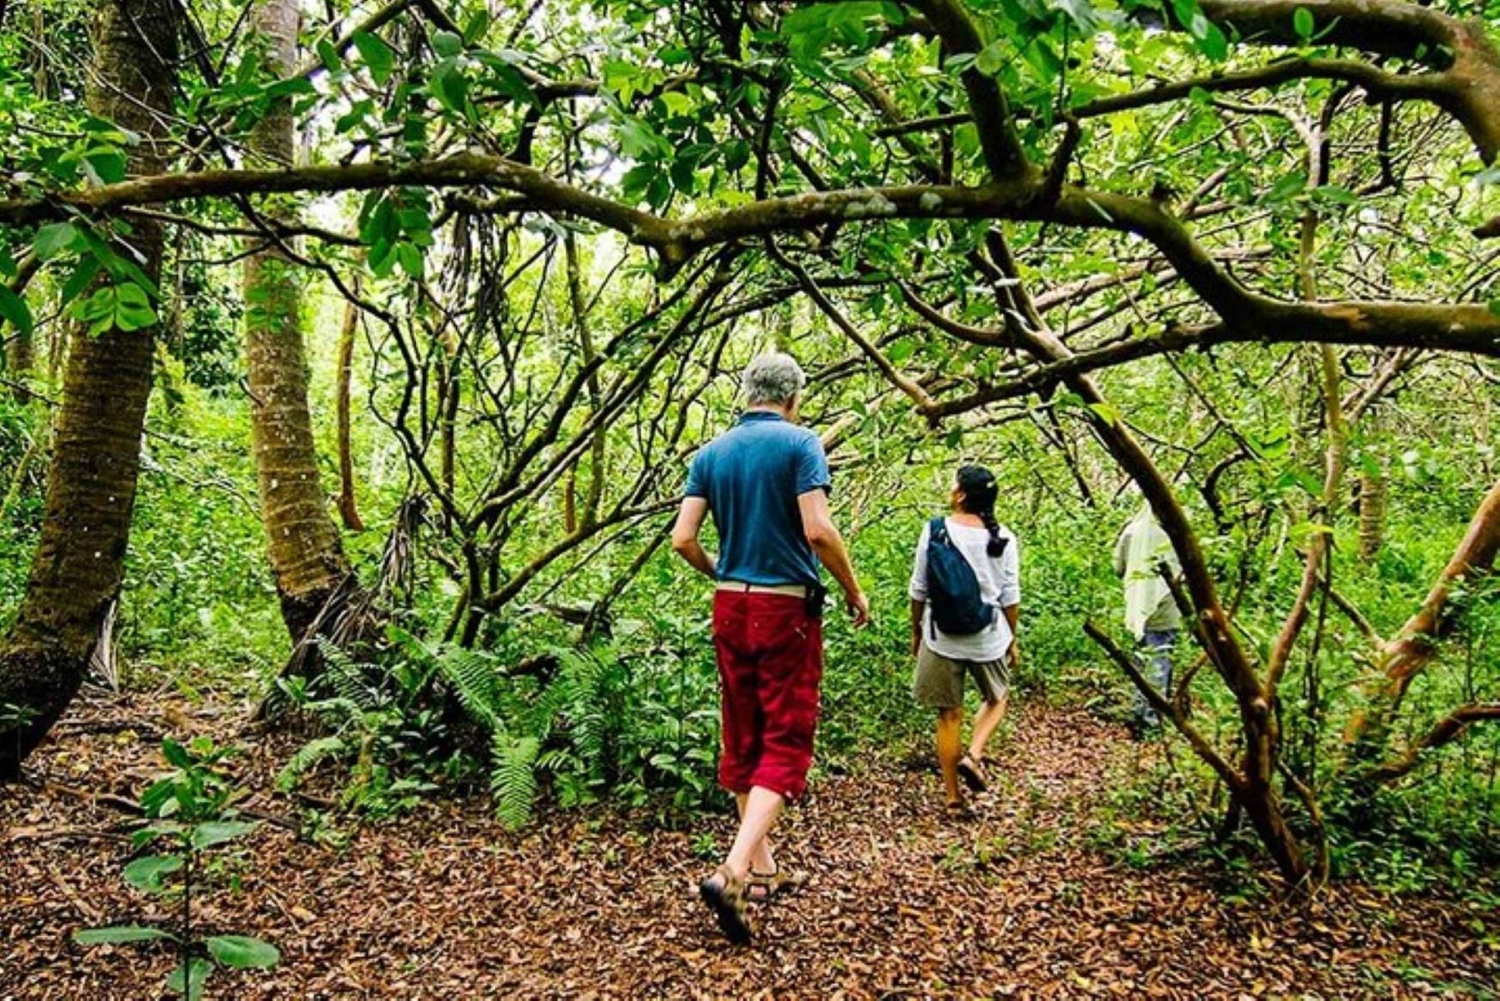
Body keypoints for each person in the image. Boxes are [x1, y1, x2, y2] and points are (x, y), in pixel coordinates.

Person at [671, 352, 870, 945]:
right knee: (786, 736)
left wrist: (721, 572)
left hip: (731, 605)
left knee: (743, 732)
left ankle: (762, 872)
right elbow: (818, 529)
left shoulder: (710, 454)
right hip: (786, 608)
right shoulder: (801, 444)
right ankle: (733, 870)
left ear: (746, 393)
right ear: (793, 396)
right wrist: (854, 590)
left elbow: (683, 537)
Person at [908, 465, 1020, 818]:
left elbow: (919, 589)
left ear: (960, 495)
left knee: (948, 715)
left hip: (942, 636)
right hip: (988, 636)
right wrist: (1012, 638)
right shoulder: (1004, 537)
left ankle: (953, 799)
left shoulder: (935, 530)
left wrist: (916, 630)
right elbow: (1009, 596)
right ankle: (974, 754)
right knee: (998, 697)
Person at [1112, 503, 1181, 737]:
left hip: (1138, 606)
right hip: (1167, 609)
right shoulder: (1175, 532)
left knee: (1142, 660)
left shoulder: (1131, 531)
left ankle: (1138, 713)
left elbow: (1118, 567)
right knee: (1160, 662)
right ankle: (1151, 724)